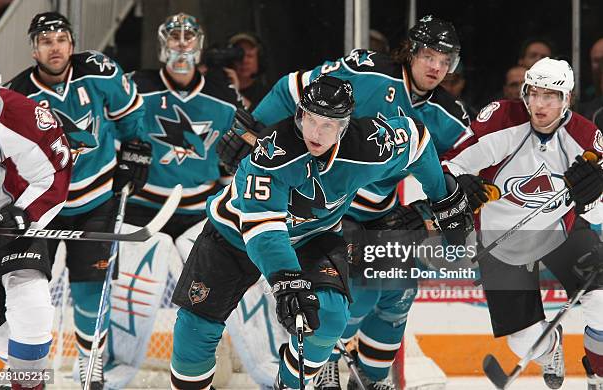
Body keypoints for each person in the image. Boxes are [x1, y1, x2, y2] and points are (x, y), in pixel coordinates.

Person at [217, 15, 473, 389]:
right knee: (357, 291)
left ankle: (370, 378)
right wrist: (255, 131)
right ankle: (324, 365)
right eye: (429, 54)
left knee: (400, 291)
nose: (436, 66)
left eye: (445, 58)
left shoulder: (449, 115)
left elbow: (462, 167)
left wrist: (438, 206)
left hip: (383, 213)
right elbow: (295, 88)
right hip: (330, 208)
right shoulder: (368, 71)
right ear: (411, 51)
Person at [6, 12, 151, 389]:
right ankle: (23, 374)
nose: (54, 47)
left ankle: (90, 363)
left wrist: (137, 149)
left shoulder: (98, 71)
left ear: (71, 43)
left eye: (60, 39)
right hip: (41, 210)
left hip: (97, 202)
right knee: (26, 292)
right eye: (45, 41)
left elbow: (131, 112)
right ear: (34, 49)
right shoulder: (19, 94)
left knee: (91, 292)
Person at [443, 57, 603, 389]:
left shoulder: (587, 137)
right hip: (500, 238)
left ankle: (598, 375)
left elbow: (599, 213)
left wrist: (592, 200)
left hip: (561, 229)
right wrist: (459, 187)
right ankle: (551, 347)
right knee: (523, 341)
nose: (539, 104)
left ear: (567, 99)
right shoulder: (502, 119)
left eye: (551, 96)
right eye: (533, 94)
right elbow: (450, 167)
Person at [102, 13, 241, 387]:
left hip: (201, 210)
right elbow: (113, 138)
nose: (181, 45)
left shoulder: (224, 95)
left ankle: (217, 355)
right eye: (174, 38)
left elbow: (235, 162)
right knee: (132, 293)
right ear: (162, 46)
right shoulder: (135, 88)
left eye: (188, 38)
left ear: (200, 46)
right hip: (142, 208)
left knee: (213, 291)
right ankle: (114, 372)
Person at [0, 57, 71, 389]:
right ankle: (28, 373)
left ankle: (29, 384)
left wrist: (23, 214)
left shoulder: (23, 117)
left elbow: (55, 173)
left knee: (32, 302)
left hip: (11, 221)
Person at [227, 32, 269, 110]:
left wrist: (235, 94)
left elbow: (260, 119)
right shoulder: (220, 88)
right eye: (239, 56)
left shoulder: (267, 96)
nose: (244, 61)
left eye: (250, 56)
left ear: (259, 59)